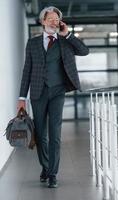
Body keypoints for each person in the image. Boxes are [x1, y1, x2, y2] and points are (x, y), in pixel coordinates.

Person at [17, 6, 89, 188]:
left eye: (57, 19)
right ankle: (46, 166)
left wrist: (69, 35)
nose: (54, 22)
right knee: (41, 134)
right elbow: (27, 71)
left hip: (58, 92)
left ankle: (53, 174)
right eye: (50, 19)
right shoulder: (32, 43)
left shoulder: (65, 41)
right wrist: (21, 97)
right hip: (38, 93)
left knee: (55, 134)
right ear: (42, 21)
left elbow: (84, 51)